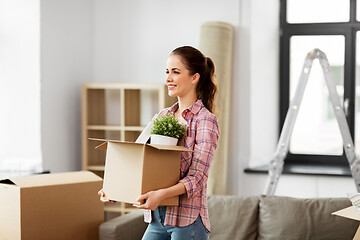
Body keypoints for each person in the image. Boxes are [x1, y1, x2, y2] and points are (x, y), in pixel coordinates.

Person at [98, 46, 220, 240]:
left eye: (175, 72)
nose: (168, 78)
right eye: (167, 72)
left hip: (187, 222)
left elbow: (197, 178)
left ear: (194, 77)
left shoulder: (205, 121)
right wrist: (115, 189)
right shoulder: (163, 116)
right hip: (157, 219)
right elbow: (141, 161)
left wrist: (160, 195)